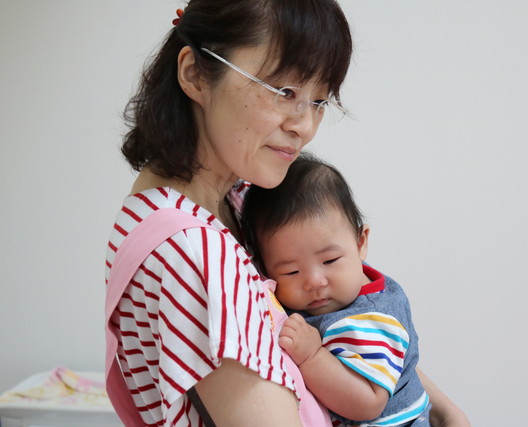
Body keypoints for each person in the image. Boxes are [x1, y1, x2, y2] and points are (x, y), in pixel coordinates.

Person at [105, 0, 470, 426]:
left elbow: (350, 322)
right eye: (284, 92)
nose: (305, 126)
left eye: (319, 100)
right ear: (195, 74)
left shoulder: (236, 200)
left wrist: (442, 410)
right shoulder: (193, 250)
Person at [241, 153, 429, 426]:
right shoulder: (343, 288)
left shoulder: (372, 318)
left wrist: (312, 356)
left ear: (360, 243)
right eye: (291, 272)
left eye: (329, 261)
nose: (315, 281)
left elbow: (368, 403)